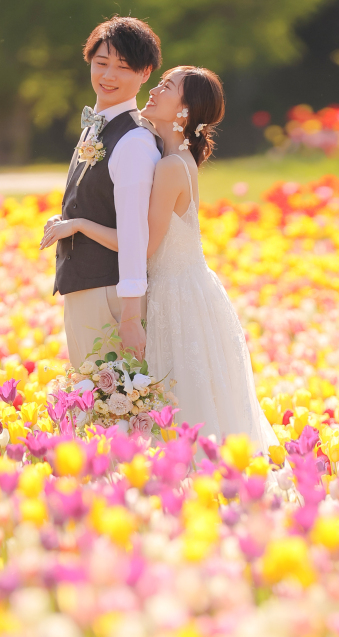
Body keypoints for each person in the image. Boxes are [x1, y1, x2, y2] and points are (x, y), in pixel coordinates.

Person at [43, 65, 277, 454]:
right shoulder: (170, 154)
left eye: (167, 87)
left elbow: (142, 246)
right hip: (187, 290)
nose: (153, 91)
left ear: (185, 111)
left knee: (177, 405)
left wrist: (80, 224)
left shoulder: (171, 166)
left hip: (176, 296)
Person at [41, 17, 162, 367]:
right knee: (93, 406)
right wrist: (66, 219)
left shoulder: (135, 141)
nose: (108, 76)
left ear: (145, 73)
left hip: (111, 294)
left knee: (112, 410)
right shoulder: (96, 127)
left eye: (123, 67)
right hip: (86, 289)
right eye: (101, 63)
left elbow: (138, 237)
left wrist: (128, 317)